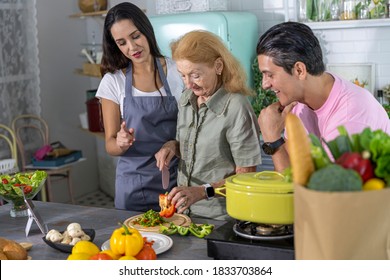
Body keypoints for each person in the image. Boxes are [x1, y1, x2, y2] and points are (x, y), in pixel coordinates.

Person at [155, 30, 262, 220]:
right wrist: (172, 146)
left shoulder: (237, 107)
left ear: (218, 66)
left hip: (222, 217)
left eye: (195, 75)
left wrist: (202, 192)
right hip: (183, 213)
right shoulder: (187, 99)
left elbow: (246, 178)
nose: (188, 84)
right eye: (182, 76)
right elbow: (193, 147)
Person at [256, 21, 390, 172]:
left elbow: (314, 193)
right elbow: (294, 172)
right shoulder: (298, 103)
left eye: (270, 75)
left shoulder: (350, 117)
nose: (264, 84)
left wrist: (272, 139)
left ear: (299, 70)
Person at [95, 2, 184, 211]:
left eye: (135, 36)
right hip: (133, 186)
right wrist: (121, 142)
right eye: (122, 42)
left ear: (146, 30)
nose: (132, 48)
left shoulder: (178, 71)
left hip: (177, 183)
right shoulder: (113, 82)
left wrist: (175, 144)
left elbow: (194, 128)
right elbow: (110, 145)